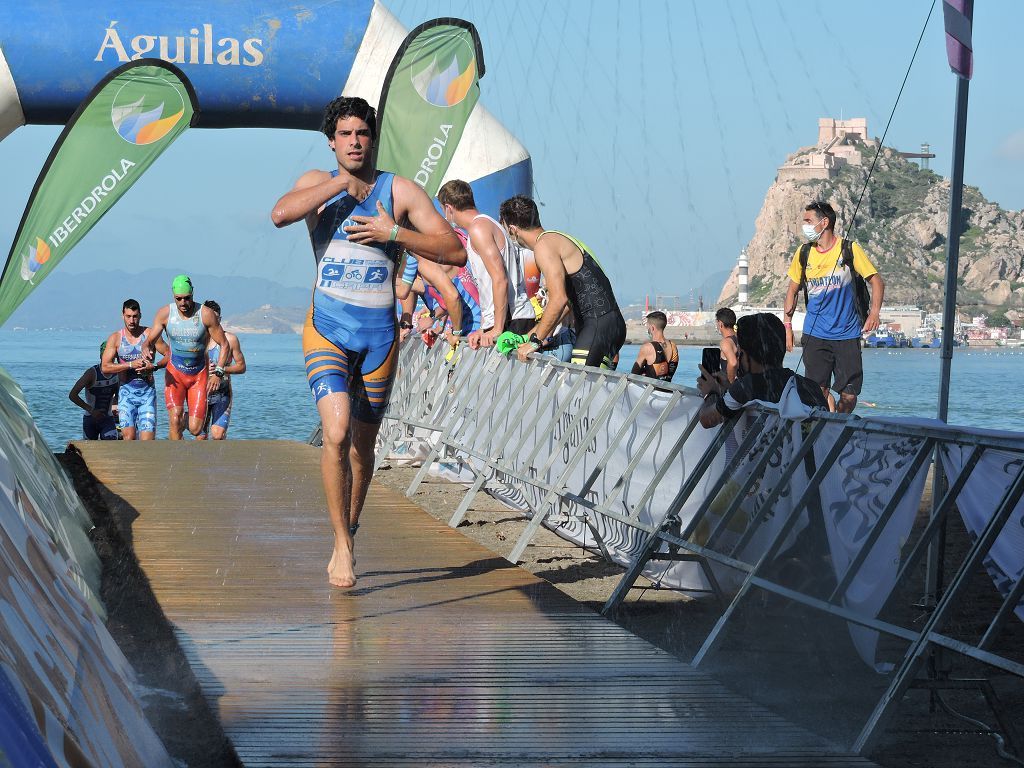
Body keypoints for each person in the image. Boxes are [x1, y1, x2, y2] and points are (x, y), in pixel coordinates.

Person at [270, 96, 465, 589]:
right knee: (334, 433)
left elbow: (454, 250)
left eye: (362, 133)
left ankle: (351, 527)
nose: (355, 142)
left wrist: (394, 231)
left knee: (362, 446)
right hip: (327, 328)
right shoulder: (318, 184)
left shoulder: (398, 191)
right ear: (332, 141)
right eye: (346, 134)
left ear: (372, 138)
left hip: (379, 335)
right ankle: (340, 543)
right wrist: (339, 184)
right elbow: (279, 215)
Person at [499, 196, 626, 369]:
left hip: (597, 324)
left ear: (513, 229)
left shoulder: (543, 246)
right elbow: (567, 304)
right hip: (606, 323)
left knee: (582, 390)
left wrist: (535, 342)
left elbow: (558, 299)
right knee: (594, 390)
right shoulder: (556, 239)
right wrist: (529, 336)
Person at [783, 201, 884, 413]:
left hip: (846, 333)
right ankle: (821, 435)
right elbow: (792, 291)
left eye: (809, 221)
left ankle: (837, 426)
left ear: (824, 222)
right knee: (817, 392)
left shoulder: (849, 249)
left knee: (848, 395)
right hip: (815, 333)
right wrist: (788, 327)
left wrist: (874, 312)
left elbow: (876, 281)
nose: (805, 226)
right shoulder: (804, 253)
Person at [438, 179, 534, 345]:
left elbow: (500, 279)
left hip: (511, 320)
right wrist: (484, 327)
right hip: (504, 319)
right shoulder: (484, 225)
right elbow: (487, 285)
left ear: (449, 208)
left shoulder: (479, 229)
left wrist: (496, 328)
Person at [697, 313, 828, 428]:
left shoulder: (747, 386)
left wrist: (711, 393)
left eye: (740, 353)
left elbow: (707, 419)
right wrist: (728, 388)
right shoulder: (812, 387)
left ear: (745, 356)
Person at [143, 275, 232, 440]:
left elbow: (225, 345)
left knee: (195, 429)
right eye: (179, 299)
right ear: (173, 296)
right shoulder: (164, 314)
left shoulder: (205, 314)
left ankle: (180, 421)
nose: (183, 303)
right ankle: (174, 458)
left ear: (193, 293)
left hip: (198, 376)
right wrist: (145, 351)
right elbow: (149, 341)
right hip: (175, 373)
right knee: (174, 418)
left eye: (187, 298)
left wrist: (219, 373)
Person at [101, 298, 167, 440]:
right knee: (129, 438)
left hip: (147, 394)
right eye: (128, 316)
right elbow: (105, 367)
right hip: (126, 395)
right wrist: (130, 365)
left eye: (135, 316)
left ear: (140, 316)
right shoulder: (116, 338)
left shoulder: (150, 334)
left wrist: (154, 366)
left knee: (147, 441)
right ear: (122, 316)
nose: (132, 321)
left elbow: (170, 355)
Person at [198, 300, 247, 440]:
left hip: (223, 394)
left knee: (218, 435)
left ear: (220, 319)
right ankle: (184, 420)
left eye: (217, 319)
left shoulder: (230, 339)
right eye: (211, 319)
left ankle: (219, 462)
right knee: (200, 437)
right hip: (201, 394)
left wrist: (222, 369)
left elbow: (242, 366)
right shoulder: (198, 340)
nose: (214, 322)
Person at [69, 342, 120, 440]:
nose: (110, 358)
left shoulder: (118, 373)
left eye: (113, 355)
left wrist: (117, 407)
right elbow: (72, 395)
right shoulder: (91, 373)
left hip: (108, 419)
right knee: (90, 450)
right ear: (101, 356)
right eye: (107, 355)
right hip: (90, 419)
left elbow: (118, 396)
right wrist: (91, 410)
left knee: (111, 445)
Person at [632, 311, 678, 382]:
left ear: (652, 328)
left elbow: (634, 374)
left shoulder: (647, 347)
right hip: (668, 390)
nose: (647, 329)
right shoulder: (673, 346)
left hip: (651, 391)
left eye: (647, 327)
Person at [715, 307, 740, 383]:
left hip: (731, 389)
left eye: (716, 322)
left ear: (720, 324)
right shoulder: (740, 338)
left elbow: (733, 363)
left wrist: (731, 384)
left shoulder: (726, 342)